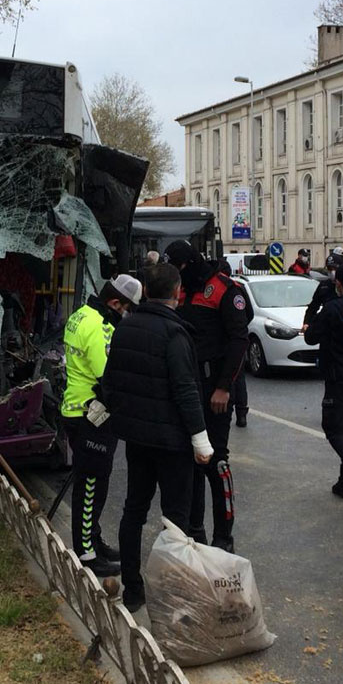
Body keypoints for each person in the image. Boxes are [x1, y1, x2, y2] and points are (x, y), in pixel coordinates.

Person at [104, 264, 214, 612]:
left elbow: (111, 382)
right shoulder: (175, 334)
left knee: (133, 511)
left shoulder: (125, 328)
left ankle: (133, 590)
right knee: (176, 519)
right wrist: (200, 439)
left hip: (137, 440)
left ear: (147, 292)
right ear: (178, 292)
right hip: (172, 443)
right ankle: (176, 595)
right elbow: (186, 391)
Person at [164, 239, 251, 552]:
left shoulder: (224, 289)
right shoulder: (181, 290)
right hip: (187, 388)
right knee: (190, 462)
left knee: (216, 463)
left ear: (187, 265)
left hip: (215, 387)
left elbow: (240, 341)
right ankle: (194, 529)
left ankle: (224, 535)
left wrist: (225, 387)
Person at [60, 274, 142, 577]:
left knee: (95, 480)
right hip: (91, 414)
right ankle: (87, 554)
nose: (127, 315)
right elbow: (108, 375)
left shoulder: (81, 314)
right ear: (115, 303)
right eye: (127, 309)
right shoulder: (99, 326)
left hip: (77, 409)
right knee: (91, 485)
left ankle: (93, 540)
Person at [304, 262, 343, 499]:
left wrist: (310, 327)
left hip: (339, 380)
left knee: (334, 429)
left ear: (338, 284)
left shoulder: (333, 308)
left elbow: (311, 338)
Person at [218, 259, 253, 428]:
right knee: (239, 378)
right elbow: (249, 313)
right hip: (236, 337)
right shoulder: (237, 287)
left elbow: (248, 312)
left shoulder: (231, 289)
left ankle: (238, 413)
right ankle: (241, 414)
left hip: (230, 340)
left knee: (233, 376)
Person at [303, 251, 343, 330]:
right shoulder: (324, 286)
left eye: (335, 268)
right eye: (329, 269)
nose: (332, 272)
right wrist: (307, 323)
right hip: (328, 327)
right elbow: (313, 307)